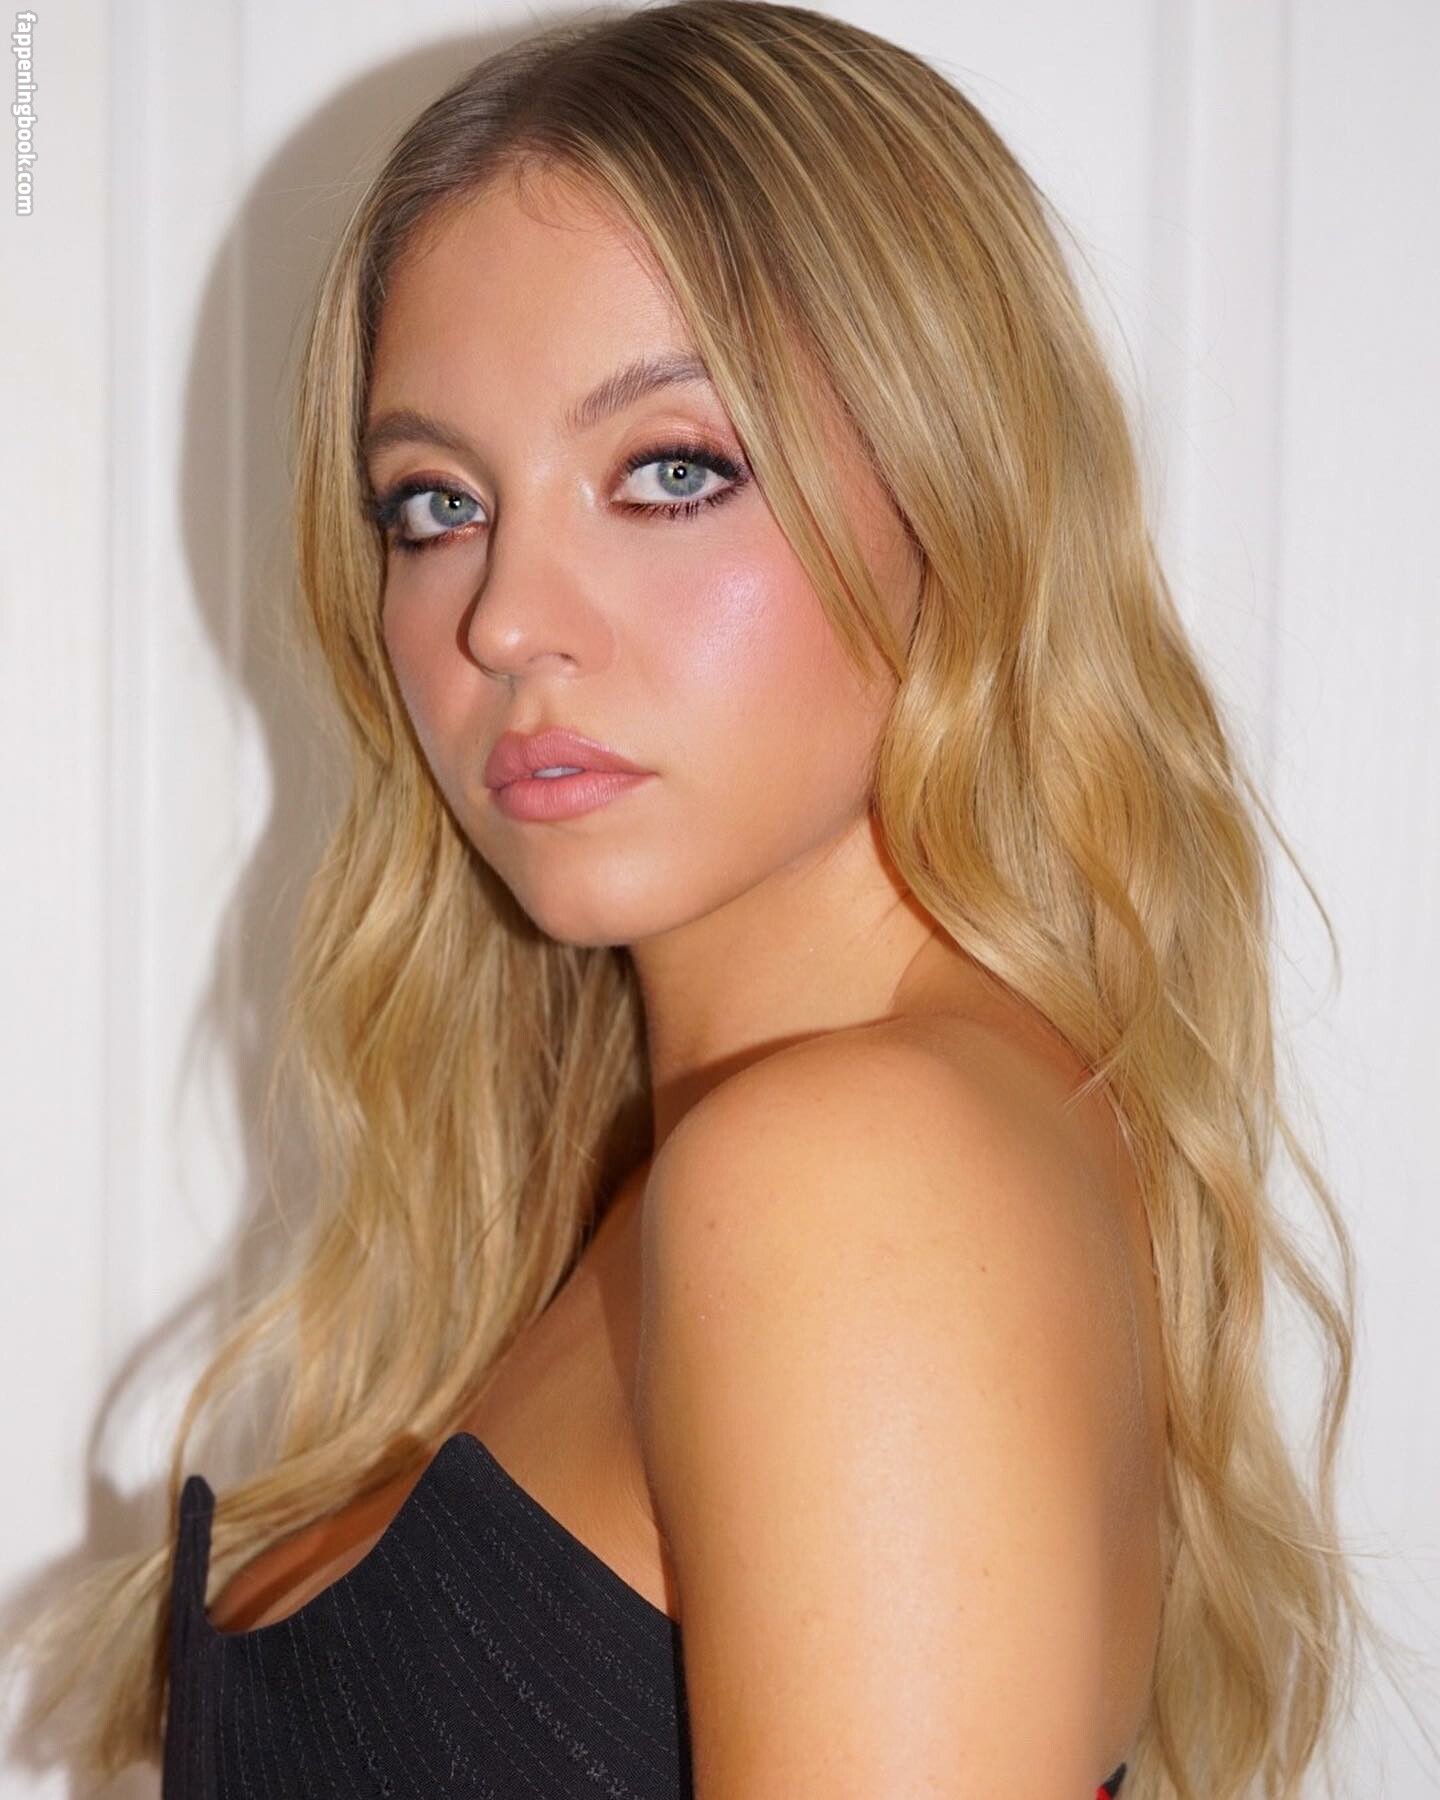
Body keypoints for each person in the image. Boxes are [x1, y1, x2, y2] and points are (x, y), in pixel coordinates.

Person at [13, 2, 1392, 1793]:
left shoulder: (851, 1178)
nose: (506, 620)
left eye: (673, 472)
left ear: (958, 495)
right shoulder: (729, 1165)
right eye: (433, 504)